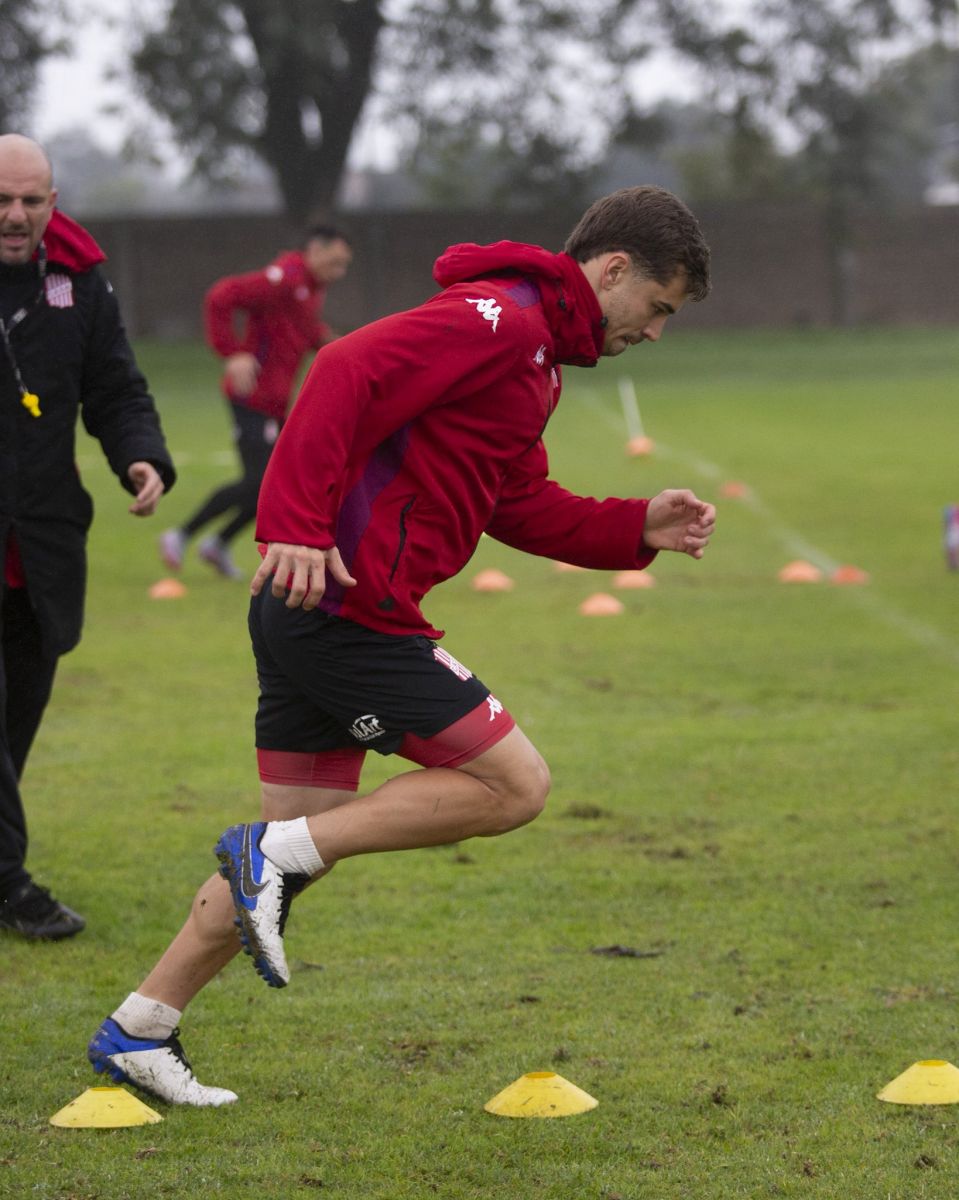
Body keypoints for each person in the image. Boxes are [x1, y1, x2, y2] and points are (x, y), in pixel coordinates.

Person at [88, 185, 715, 1106]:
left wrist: (633, 528)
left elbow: (512, 499)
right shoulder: (501, 320)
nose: (654, 332)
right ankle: (268, 868)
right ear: (612, 270)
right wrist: (293, 524)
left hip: (319, 610)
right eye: (657, 309)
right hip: (345, 608)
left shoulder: (536, 357)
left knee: (285, 848)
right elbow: (343, 367)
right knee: (515, 785)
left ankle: (140, 1029)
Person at [0, 134, 176, 940]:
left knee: (16, 722)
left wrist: (139, 457)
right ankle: (10, 885)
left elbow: (114, 385)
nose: (15, 215)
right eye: (2, 200)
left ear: (52, 202)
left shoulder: (79, 282)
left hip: (39, 547)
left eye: (31, 201)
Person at [159, 225, 353, 580]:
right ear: (315, 250)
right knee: (264, 483)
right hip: (252, 396)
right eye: (335, 262)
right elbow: (221, 296)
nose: (339, 272)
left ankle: (216, 544)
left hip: (276, 403)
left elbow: (302, 329)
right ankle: (182, 535)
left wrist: (342, 350)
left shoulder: (309, 288)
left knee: (274, 484)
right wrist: (231, 353)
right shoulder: (283, 278)